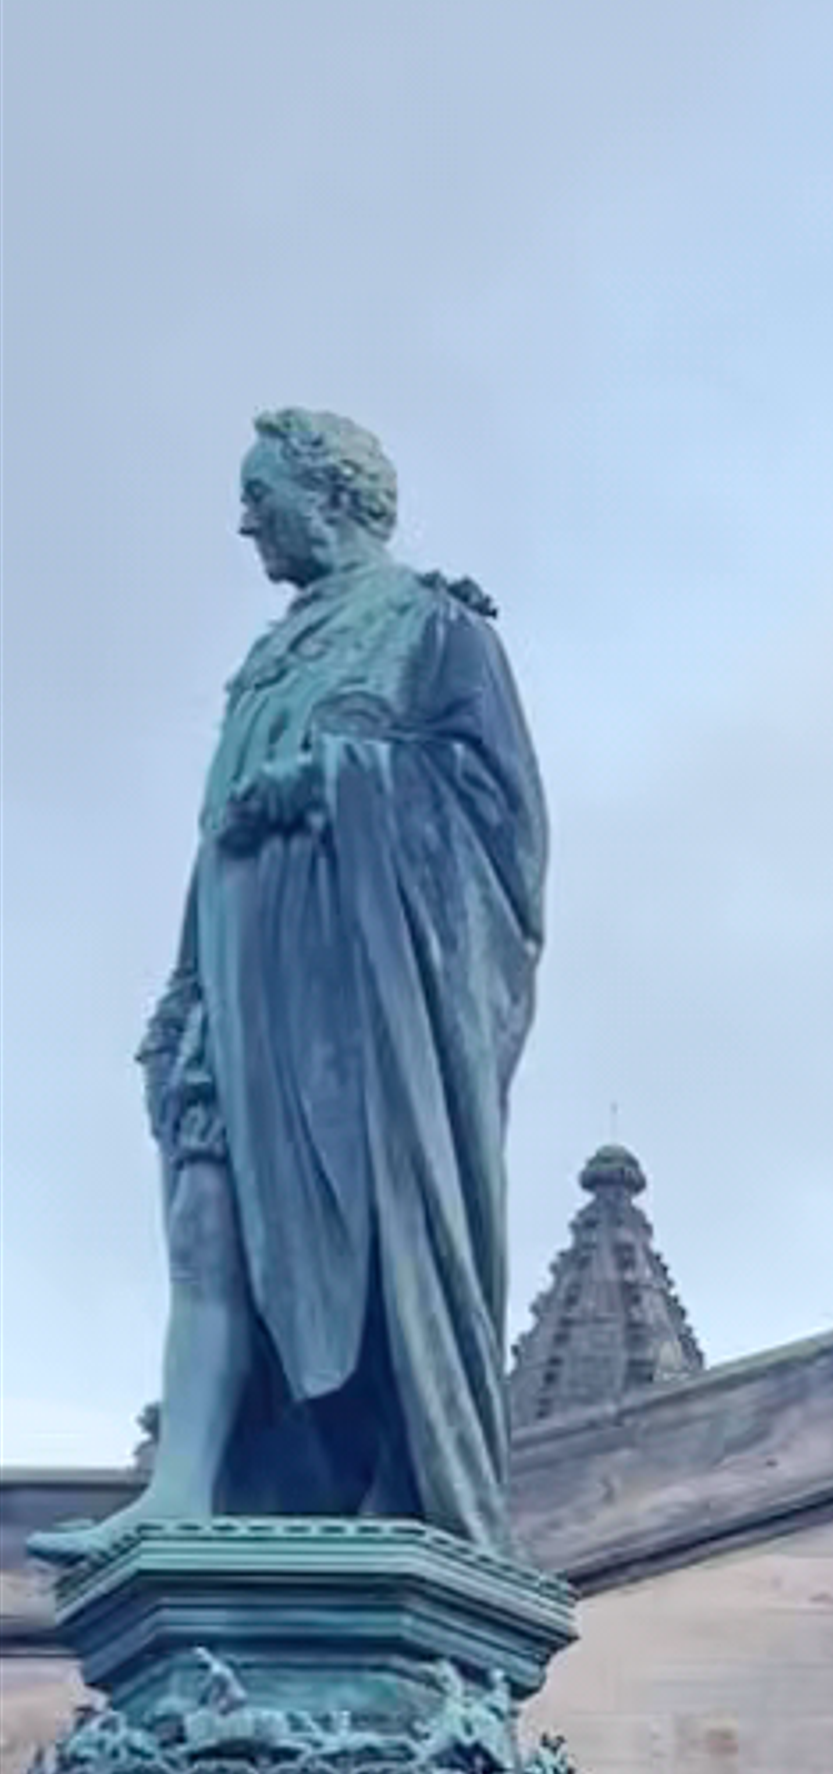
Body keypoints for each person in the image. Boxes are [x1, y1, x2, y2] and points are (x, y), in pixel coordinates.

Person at [133, 410, 547, 1551]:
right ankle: (181, 1484)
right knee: (204, 1210)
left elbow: (499, 820)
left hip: (364, 1003)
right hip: (242, 985)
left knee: (367, 1244)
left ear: (331, 497)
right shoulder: (270, 656)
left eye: (261, 496)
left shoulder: (432, 628)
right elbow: (214, 841)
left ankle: (388, 1476)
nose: (246, 521)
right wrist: (184, 993)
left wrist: (331, 778)